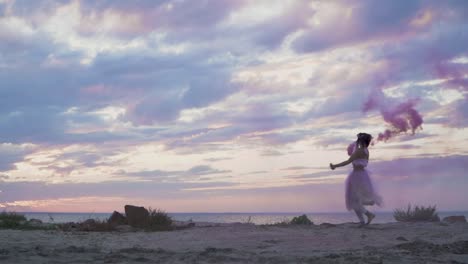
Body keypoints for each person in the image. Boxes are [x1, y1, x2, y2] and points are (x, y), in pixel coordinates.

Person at [330, 133, 382, 226]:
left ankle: (369, 214)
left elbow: (348, 161)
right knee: (355, 201)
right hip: (362, 175)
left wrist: (335, 166)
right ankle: (363, 219)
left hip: (357, 176)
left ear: (361, 142)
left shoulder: (359, 151)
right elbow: (362, 161)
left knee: (354, 201)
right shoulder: (366, 150)